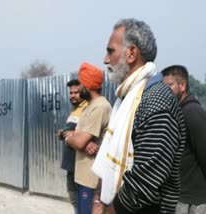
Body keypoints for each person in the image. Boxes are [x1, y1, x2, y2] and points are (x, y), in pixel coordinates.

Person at [91, 18, 186, 214]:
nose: (105, 60)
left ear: (131, 53)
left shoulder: (156, 100)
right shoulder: (127, 98)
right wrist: (99, 201)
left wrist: (108, 210)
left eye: (110, 51)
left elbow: (145, 183)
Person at [64, 62, 112, 214]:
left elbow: (79, 141)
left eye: (81, 85)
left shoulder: (100, 107)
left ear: (88, 85)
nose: (78, 89)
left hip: (91, 180)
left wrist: (69, 138)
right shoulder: (90, 106)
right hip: (82, 176)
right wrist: (73, 136)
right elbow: (76, 136)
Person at [162, 65, 206, 214]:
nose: (165, 91)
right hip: (180, 197)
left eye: (170, 85)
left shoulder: (193, 112)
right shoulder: (178, 112)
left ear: (182, 85)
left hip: (194, 202)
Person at [57, 79, 88, 211]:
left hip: (80, 164)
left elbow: (88, 134)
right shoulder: (74, 110)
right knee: (74, 200)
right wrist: (62, 133)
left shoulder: (87, 109)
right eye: (71, 93)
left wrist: (70, 134)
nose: (73, 95)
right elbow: (71, 132)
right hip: (71, 166)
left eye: (76, 92)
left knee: (82, 202)